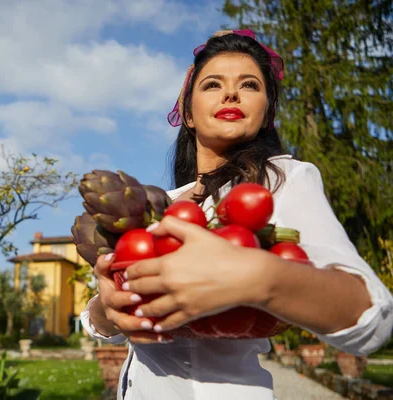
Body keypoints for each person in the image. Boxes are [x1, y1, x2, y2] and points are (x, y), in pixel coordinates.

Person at [80, 29, 393, 400]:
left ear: (266, 114)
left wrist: (261, 277)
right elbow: (104, 323)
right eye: (212, 84)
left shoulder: (282, 179)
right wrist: (106, 309)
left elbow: (372, 316)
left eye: (249, 85)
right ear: (188, 115)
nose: (231, 93)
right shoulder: (161, 203)